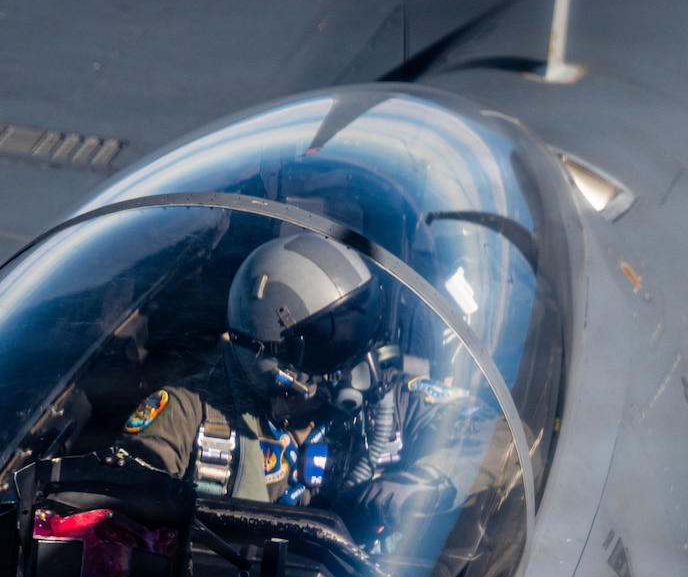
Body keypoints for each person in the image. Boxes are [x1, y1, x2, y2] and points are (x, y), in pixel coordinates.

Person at [116, 232, 470, 541]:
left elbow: (496, 436)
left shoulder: (394, 400)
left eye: (358, 331)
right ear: (275, 360)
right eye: (334, 343)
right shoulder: (190, 413)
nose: (357, 357)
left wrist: (428, 480)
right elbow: (117, 494)